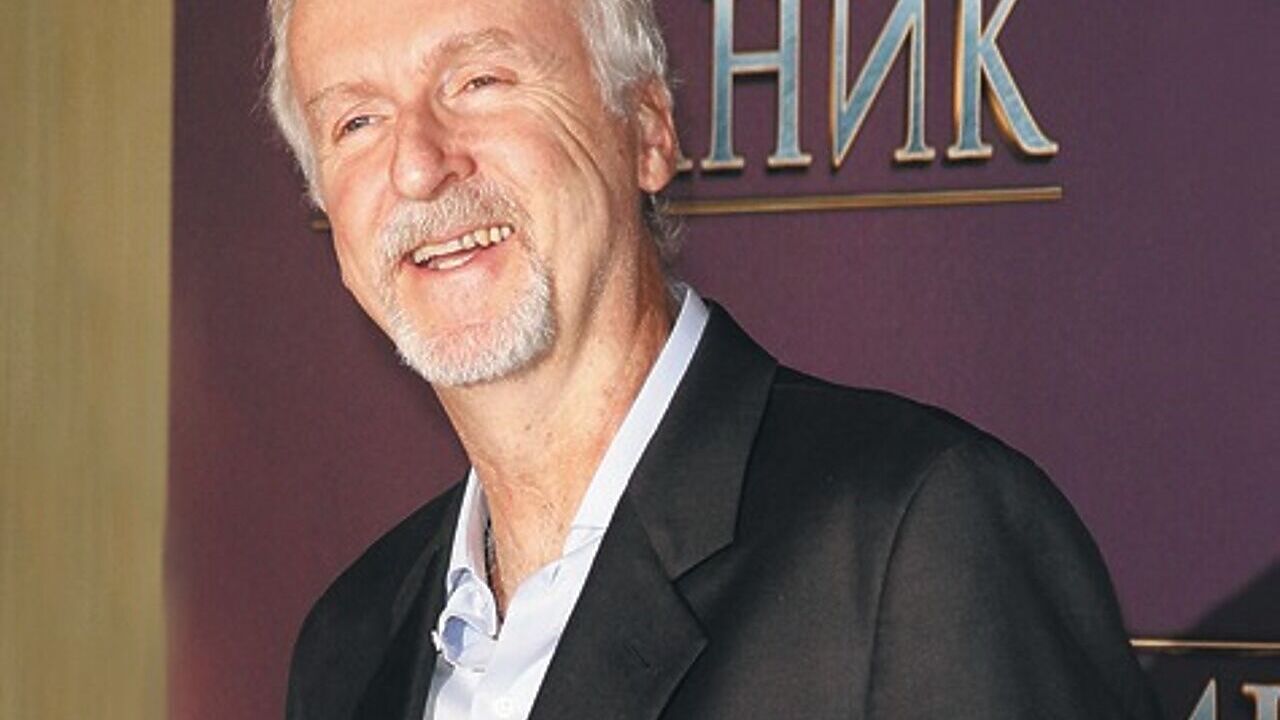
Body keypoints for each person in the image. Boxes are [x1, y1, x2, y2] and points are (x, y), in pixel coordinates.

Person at [266, 0, 1160, 717]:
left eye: (479, 81)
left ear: (649, 129)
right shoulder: (349, 644)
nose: (418, 166)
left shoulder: (915, 542)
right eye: (356, 121)